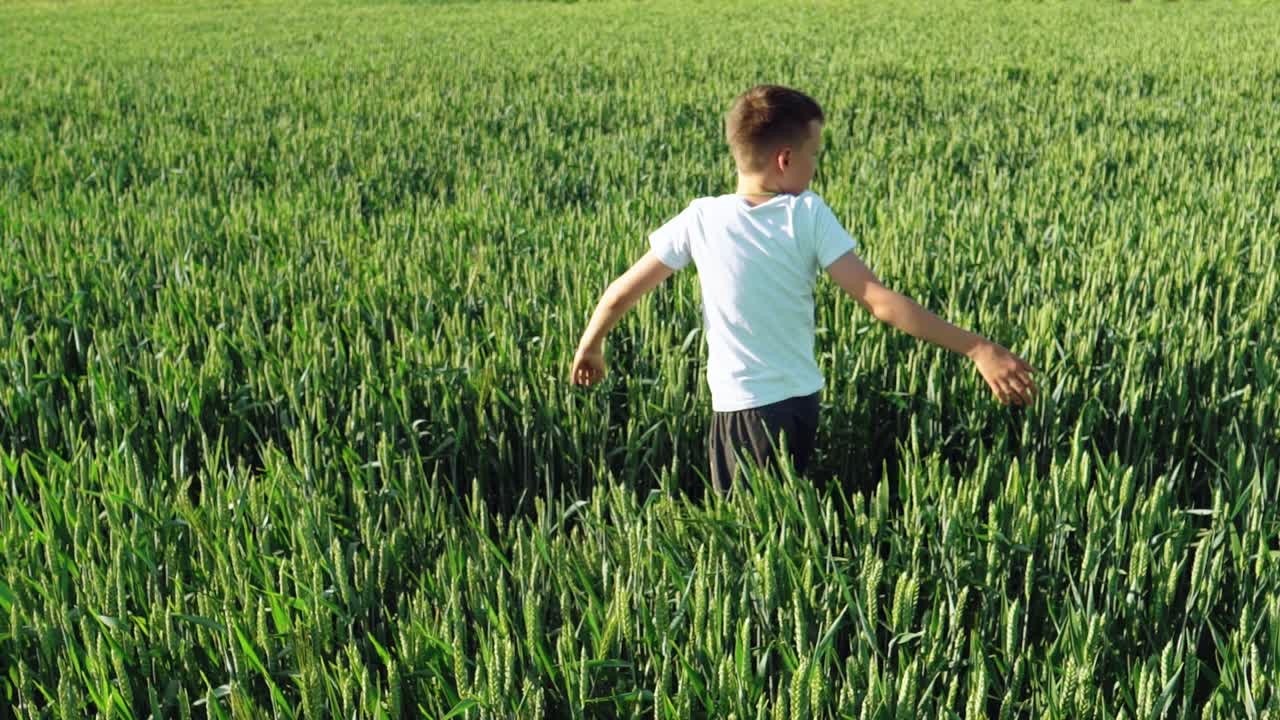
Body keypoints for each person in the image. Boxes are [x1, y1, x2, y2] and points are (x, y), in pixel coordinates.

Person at [569, 84, 1038, 495]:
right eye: (814, 154)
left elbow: (619, 293)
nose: (815, 166)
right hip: (800, 404)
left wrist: (591, 347)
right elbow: (880, 302)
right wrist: (976, 347)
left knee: (751, 536)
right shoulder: (807, 214)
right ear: (785, 159)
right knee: (784, 517)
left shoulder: (702, 219)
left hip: (745, 408)